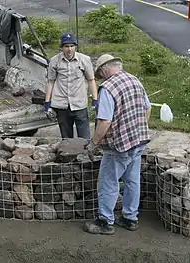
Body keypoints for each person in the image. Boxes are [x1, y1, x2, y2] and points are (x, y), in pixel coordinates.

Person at [83, 54, 152, 235]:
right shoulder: (134, 79)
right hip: (138, 142)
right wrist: (139, 129)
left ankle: (105, 221)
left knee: (108, 182)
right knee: (132, 181)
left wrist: (94, 143)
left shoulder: (108, 88)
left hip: (119, 146)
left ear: (104, 71)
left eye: (100, 73)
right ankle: (130, 218)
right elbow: (148, 107)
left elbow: (105, 122)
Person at [44, 33, 98, 140]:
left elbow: (91, 80)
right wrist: (47, 102)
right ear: (62, 47)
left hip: (79, 103)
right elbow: (51, 81)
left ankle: (84, 156)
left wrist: (95, 100)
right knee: (67, 139)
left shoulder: (84, 60)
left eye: (72, 46)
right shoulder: (54, 61)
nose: (69, 49)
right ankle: (68, 156)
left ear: (75, 47)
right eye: (66, 46)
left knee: (84, 138)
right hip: (62, 104)